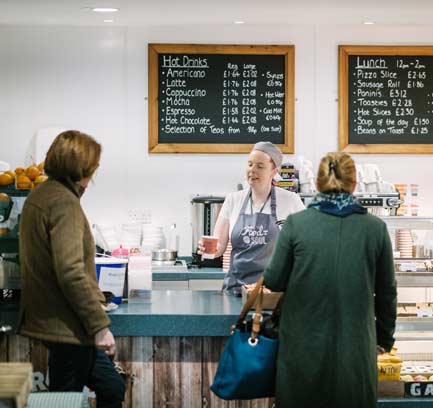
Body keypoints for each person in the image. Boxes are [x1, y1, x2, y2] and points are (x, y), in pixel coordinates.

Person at [263, 152, 397, 407]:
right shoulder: (375, 228)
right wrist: (382, 340)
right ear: (354, 183)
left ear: (317, 184)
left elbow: (275, 280)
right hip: (356, 346)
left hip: (302, 346)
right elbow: (387, 292)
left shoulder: (296, 224)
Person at [18, 130, 125, 408]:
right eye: (93, 167)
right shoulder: (65, 203)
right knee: (65, 399)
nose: (94, 174)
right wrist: (100, 327)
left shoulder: (41, 195)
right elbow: (70, 271)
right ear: (81, 169)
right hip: (67, 325)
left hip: (58, 321)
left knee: (111, 387)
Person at [201, 141, 304, 295]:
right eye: (250, 164)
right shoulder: (233, 200)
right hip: (236, 290)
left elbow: (305, 244)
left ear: (273, 170)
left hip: (273, 292)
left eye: (260, 166)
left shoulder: (291, 201)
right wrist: (207, 249)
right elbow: (219, 246)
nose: (252, 170)